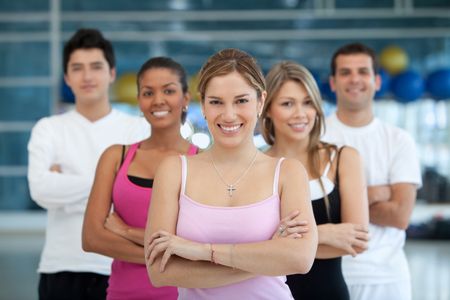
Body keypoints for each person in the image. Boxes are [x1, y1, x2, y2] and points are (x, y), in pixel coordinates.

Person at [143, 48, 318, 300]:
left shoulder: (288, 173)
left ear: (260, 102)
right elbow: (160, 271)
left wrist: (202, 251)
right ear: (202, 105)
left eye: (241, 100)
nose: (228, 115)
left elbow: (300, 259)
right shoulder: (174, 171)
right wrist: (267, 257)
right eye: (216, 102)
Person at [27, 28, 149, 300]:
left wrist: (66, 187)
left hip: (119, 265)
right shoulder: (48, 128)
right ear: (67, 78)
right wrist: (111, 183)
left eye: (96, 66)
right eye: (77, 68)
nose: (87, 76)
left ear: (112, 73)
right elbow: (40, 189)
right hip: (60, 267)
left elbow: (141, 199)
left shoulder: (138, 130)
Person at [82, 56, 199, 300]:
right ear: (139, 101)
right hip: (124, 293)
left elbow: (200, 242)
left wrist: (124, 231)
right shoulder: (116, 156)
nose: (158, 100)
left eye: (168, 90)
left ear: (186, 98)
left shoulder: (204, 161)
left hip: (184, 294)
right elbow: (92, 238)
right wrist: (169, 254)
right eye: (148, 93)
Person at [261, 60, 369, 299]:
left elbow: (357, 240)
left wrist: (282, 244)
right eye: (288, 104)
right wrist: (325, 234)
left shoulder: (344, 158)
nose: (301, 114)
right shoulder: (255, 166)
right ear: (267, 108)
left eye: (308, 103)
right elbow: (248, 246)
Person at [322, 43, 422, 300]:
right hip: (329, 273)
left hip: (387, 278)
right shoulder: (317, 138)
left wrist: (342, 201)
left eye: (362, 71)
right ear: (333, 83)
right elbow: (314, 211)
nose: (354, 79)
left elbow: (400, 215)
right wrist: (378, 193)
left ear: (377, 81)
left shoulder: (399, 140)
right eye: (345, 72)